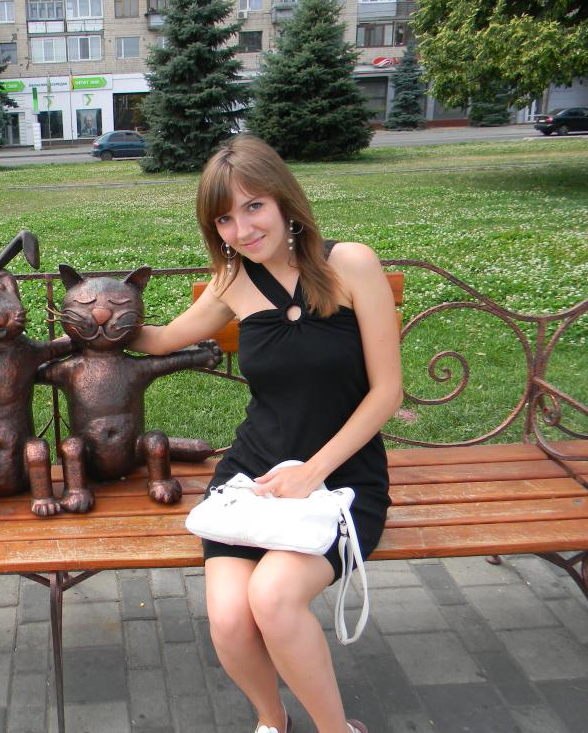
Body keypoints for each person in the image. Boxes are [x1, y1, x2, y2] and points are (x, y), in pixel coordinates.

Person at [131, 134, 402, 733]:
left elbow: (388, 392)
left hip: (343, 479)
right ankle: (272, 721)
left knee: (273, 599)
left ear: (284, 199)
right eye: (224, 219)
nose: (242, 229)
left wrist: (312, 473)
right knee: (230, 617)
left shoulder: (350, 264)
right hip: (252, 475)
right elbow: (163, 339)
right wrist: (96, 318)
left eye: (253, 206)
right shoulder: (233, 282)